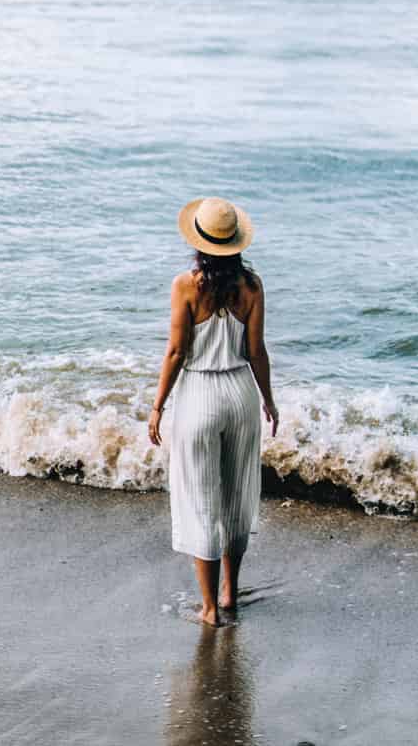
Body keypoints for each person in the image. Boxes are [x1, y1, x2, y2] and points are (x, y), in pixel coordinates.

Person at [148, 196, 279, 626]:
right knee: (236, 498)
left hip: (199, 394)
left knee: (200, 501)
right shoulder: (253, 286)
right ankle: (230, 594)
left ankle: (207, 610)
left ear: (199, 242)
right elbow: (256, 351)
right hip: (240, 393)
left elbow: (175, 352)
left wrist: (157, 405)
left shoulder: (185, 285)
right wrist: (268, 399)